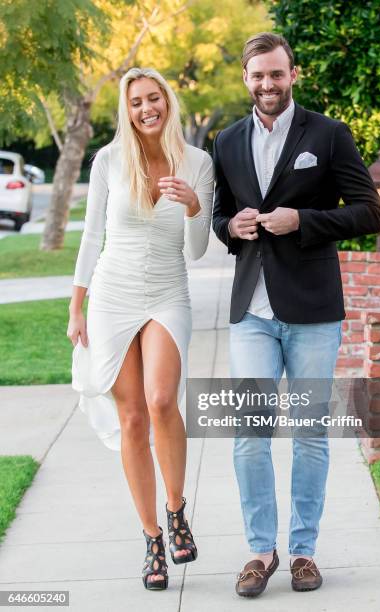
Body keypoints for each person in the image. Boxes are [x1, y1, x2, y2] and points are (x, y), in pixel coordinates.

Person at [212, 32, 380, 598]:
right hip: (251, 312)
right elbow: (220, 217)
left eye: (276, 74)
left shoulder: (328, 134)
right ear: (245, 77)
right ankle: (261, 551)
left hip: (312, 311)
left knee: (311, 434)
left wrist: (303, 221)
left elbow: (369, 213)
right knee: (248, 435)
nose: (267, 84)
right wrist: (230, 229)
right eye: (257, 75)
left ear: (293, 74)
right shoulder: (227, 140)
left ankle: (304, 552)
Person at [67, 67, 214, 591]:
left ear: (168, 101)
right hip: (112, 295)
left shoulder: (198, 162)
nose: (146, 108)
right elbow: (90, 238)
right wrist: (76, 306)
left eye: (153, 98)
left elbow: (196, 249)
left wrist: (196, 206)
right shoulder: (109, 159)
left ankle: (177, 511)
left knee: (159, 399)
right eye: (136, 102)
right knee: (131, 418)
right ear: (126, 110)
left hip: (168, 294)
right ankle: (152, 537)